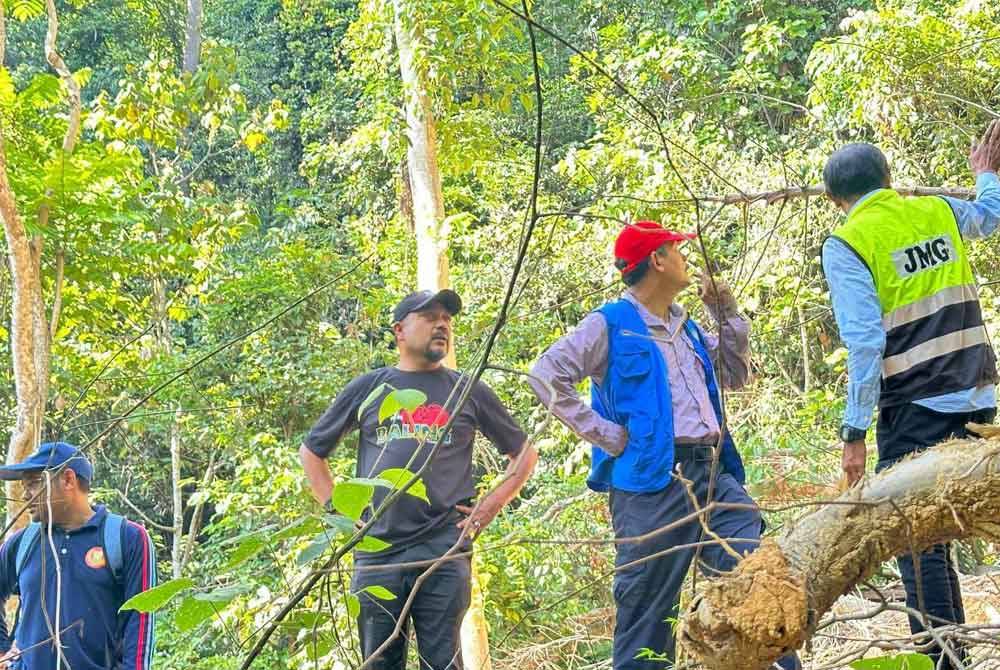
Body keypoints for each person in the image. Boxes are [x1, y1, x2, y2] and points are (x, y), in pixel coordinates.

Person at [528, 221, 798, 670]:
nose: (685, 259)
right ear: (657, 260)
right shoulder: (610, 325)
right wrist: (607, 436)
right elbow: (545, 375)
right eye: (677, 249)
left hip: (714, 475)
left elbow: (733, 373)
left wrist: (726, 312)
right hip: (651, 488)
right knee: (647, 616)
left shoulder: (686, 327)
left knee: (756, 587)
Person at [821, 120, 1000, 668]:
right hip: (977, 397)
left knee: (916, 538)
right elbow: (990, 217)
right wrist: (985, 174)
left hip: (915, 405)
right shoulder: (936, 209)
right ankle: (955, 654)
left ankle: (945, 660)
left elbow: (865, 343)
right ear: (890, 177)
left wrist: (854, 431)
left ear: (835, 201)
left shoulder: (848, 241)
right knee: (959, 525)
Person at [299, 289, 538, 670]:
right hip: (378, 552)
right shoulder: (371, 388)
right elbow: (312, 452)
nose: (442, 324)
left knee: (443, 663)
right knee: (378, 662)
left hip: (444, 549)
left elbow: (524, 452)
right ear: (400, 330)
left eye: (447, 319)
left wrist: (492, 503)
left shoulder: (467, 390)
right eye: (429, 317)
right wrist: (339, 513)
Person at [0, 442, 157, 670]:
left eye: (33, 484)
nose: (25, 495)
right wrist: (3, 651)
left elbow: (141, 617)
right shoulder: (22, 542)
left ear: (68, 479)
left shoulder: (126, 538)